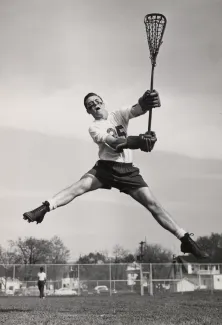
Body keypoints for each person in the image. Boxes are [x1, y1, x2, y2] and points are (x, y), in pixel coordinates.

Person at [23, 90, 208, 259]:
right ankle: (43, 209)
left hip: (128, 170)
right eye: (89, 105)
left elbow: (138, 109)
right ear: (88, 111)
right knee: (78, 187)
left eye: (96, 101)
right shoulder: (94, 127)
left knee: (154, 205)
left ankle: (185, 240)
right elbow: (114, 143)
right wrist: (138, 141)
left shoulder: (118, 115)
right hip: (106, 168)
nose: (94, 105)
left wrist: (147, 101)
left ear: (103, 102)